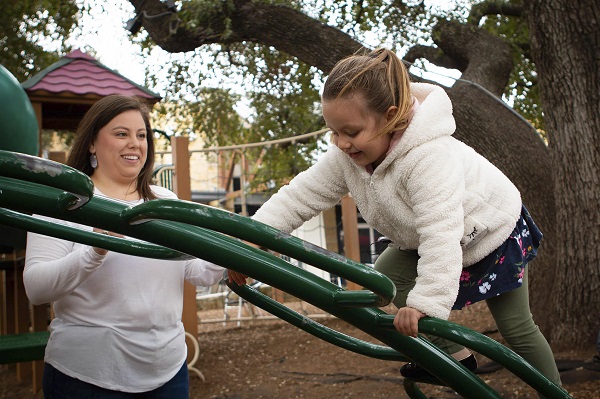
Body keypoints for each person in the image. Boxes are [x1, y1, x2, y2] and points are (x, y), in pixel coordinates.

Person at [229, 48, 562, 390]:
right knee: (384, 279)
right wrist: (252, 240)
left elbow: (441, 230)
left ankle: (555, 393)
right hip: (424, 235)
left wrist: (426, 306)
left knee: (516, 327)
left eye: (352, 132)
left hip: (492, 233)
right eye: (334, 132)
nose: (342, 143)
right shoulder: (347, 156)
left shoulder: (427, 158)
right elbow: (300, 195)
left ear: (389, 117)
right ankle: (459, 356)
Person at [24, 95, 225, 398]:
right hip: (88, 375)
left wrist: (232, 257)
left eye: (141, 135)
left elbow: (197, 269)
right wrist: (95, 249)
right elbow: (36, 289)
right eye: (121, 134)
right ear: (92, 143)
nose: (135, 143)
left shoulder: (165, 202)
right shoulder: (62, 202)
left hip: (167, 371)